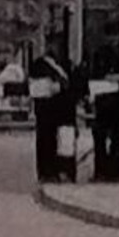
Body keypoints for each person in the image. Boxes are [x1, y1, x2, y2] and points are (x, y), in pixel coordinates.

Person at [30, 30, 77, 183]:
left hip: (65, 110)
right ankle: (47, 172)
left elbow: (74, 86)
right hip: (46, 110)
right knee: (45, 141)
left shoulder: (67, 65)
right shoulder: (39, 65)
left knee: (66, 143)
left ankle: (66, 171)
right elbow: (35, 87)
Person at [90, 39, 119, 181]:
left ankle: (114, 171)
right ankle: (101, 171)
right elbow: (94, 76)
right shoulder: (100, 53)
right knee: (100, 139)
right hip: (103, 104)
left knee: (117, 139)